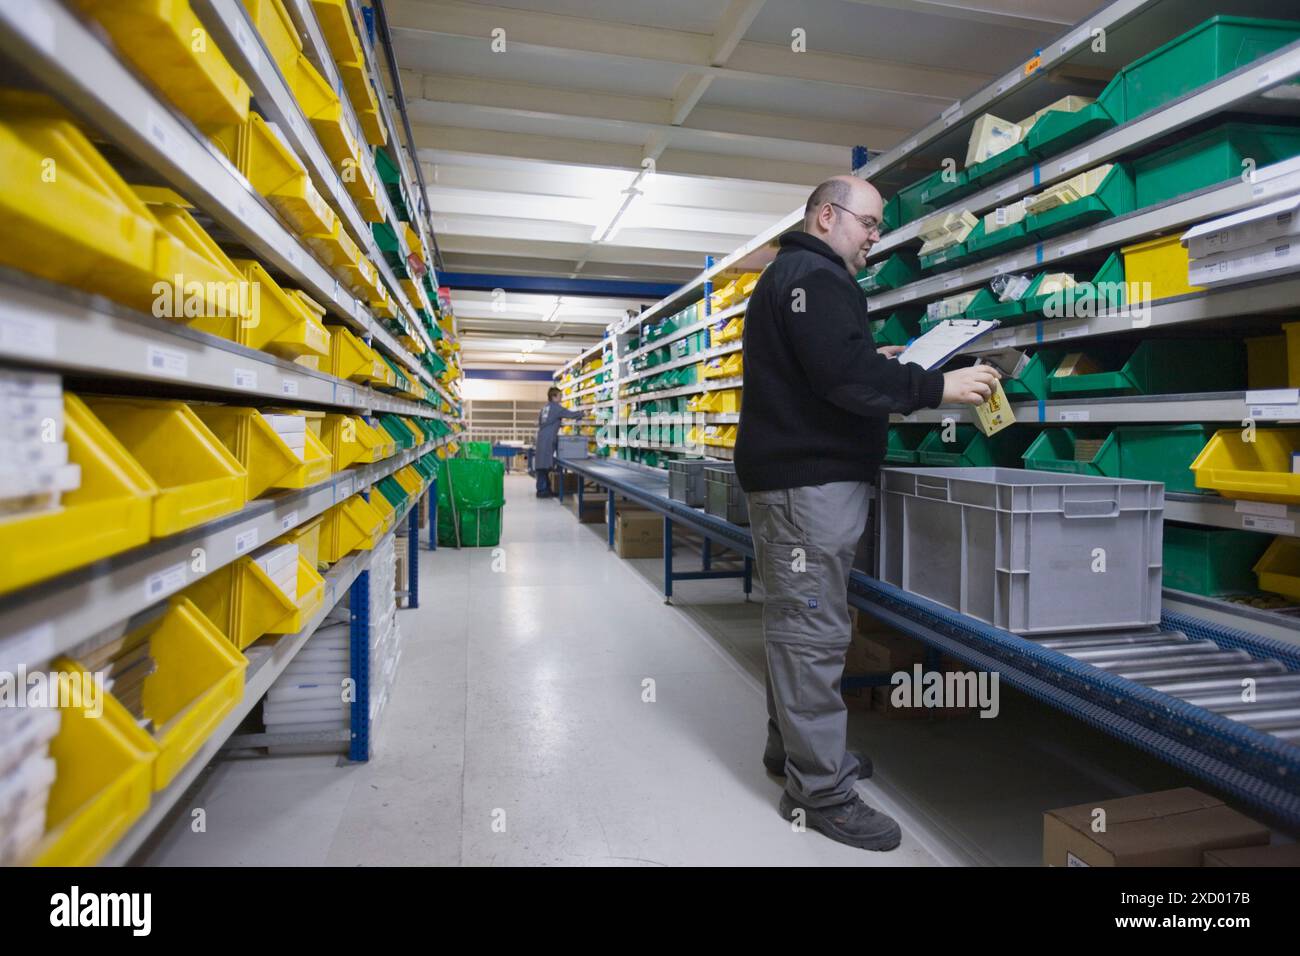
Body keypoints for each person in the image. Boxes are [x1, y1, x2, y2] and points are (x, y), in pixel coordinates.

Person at [734, 175, 1000, 852]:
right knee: (811, 631)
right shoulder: (815, 278)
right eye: (870, 224)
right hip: (808, 487)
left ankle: (791, 751)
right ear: (827, 215)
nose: (876, 239)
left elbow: (831, 366)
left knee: (797, 620)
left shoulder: (797, 277)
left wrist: (874, 359)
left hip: (801, 484)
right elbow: (842, 380)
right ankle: (819, 792)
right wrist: (938, 385)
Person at [534, 386, 585, 497]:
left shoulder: (545, 408)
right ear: (554, 396)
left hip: (542, 437)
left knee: (542, 464)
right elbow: (570, 414)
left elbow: (540, 422)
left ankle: (545, 488)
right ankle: (542, 490)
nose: (561, 398)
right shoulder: (556, 407)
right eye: (560, 396)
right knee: (544, 465)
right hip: (548, 438)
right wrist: (583, 413)